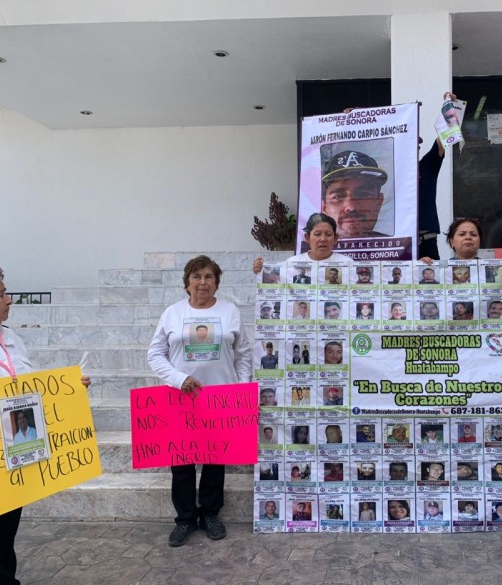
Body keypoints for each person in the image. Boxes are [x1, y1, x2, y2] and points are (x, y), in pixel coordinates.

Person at [0, 265, 91, 584]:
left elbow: (28, 387)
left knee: (3, 533)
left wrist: (69, 387)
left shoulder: (11, 339)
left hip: (14, 452)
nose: (10, 300)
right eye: (2, 294)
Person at [148, 255, 251, 547]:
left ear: (216, 282)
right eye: (196, 276)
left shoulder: (230, 311)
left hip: (220, 399)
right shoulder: (172, 313)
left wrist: (240, 389)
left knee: (215, 459)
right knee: (181, 461)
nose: (202, 282)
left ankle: (209, 514)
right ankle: (184, 519)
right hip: (180, 398)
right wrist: (179, 379)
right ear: (187, 282)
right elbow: (155, 354)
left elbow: (242, 353)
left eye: (208, 276)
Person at [417, 92, 456, 260]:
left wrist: (450, 110)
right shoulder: (390, 170)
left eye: (416, 144)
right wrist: (354, 121)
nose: (414, 147)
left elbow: (443, 137)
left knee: (432, 284)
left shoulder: (426, 166)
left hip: (425, 240)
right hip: (397, 243)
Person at [253, 213, 353, 276]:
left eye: (328, 234)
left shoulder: (348, 264)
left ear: (335, 238)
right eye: (317, 234)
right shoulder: (292, 263)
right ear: (307, 238)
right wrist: (261, 272)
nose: (323, 239)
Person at [320, 147, 389, 238]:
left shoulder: (400, 248)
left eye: (364, 194)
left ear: (379, 202)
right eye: (337, 197)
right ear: (324, 207)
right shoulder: (310, 250)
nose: (351, 207)